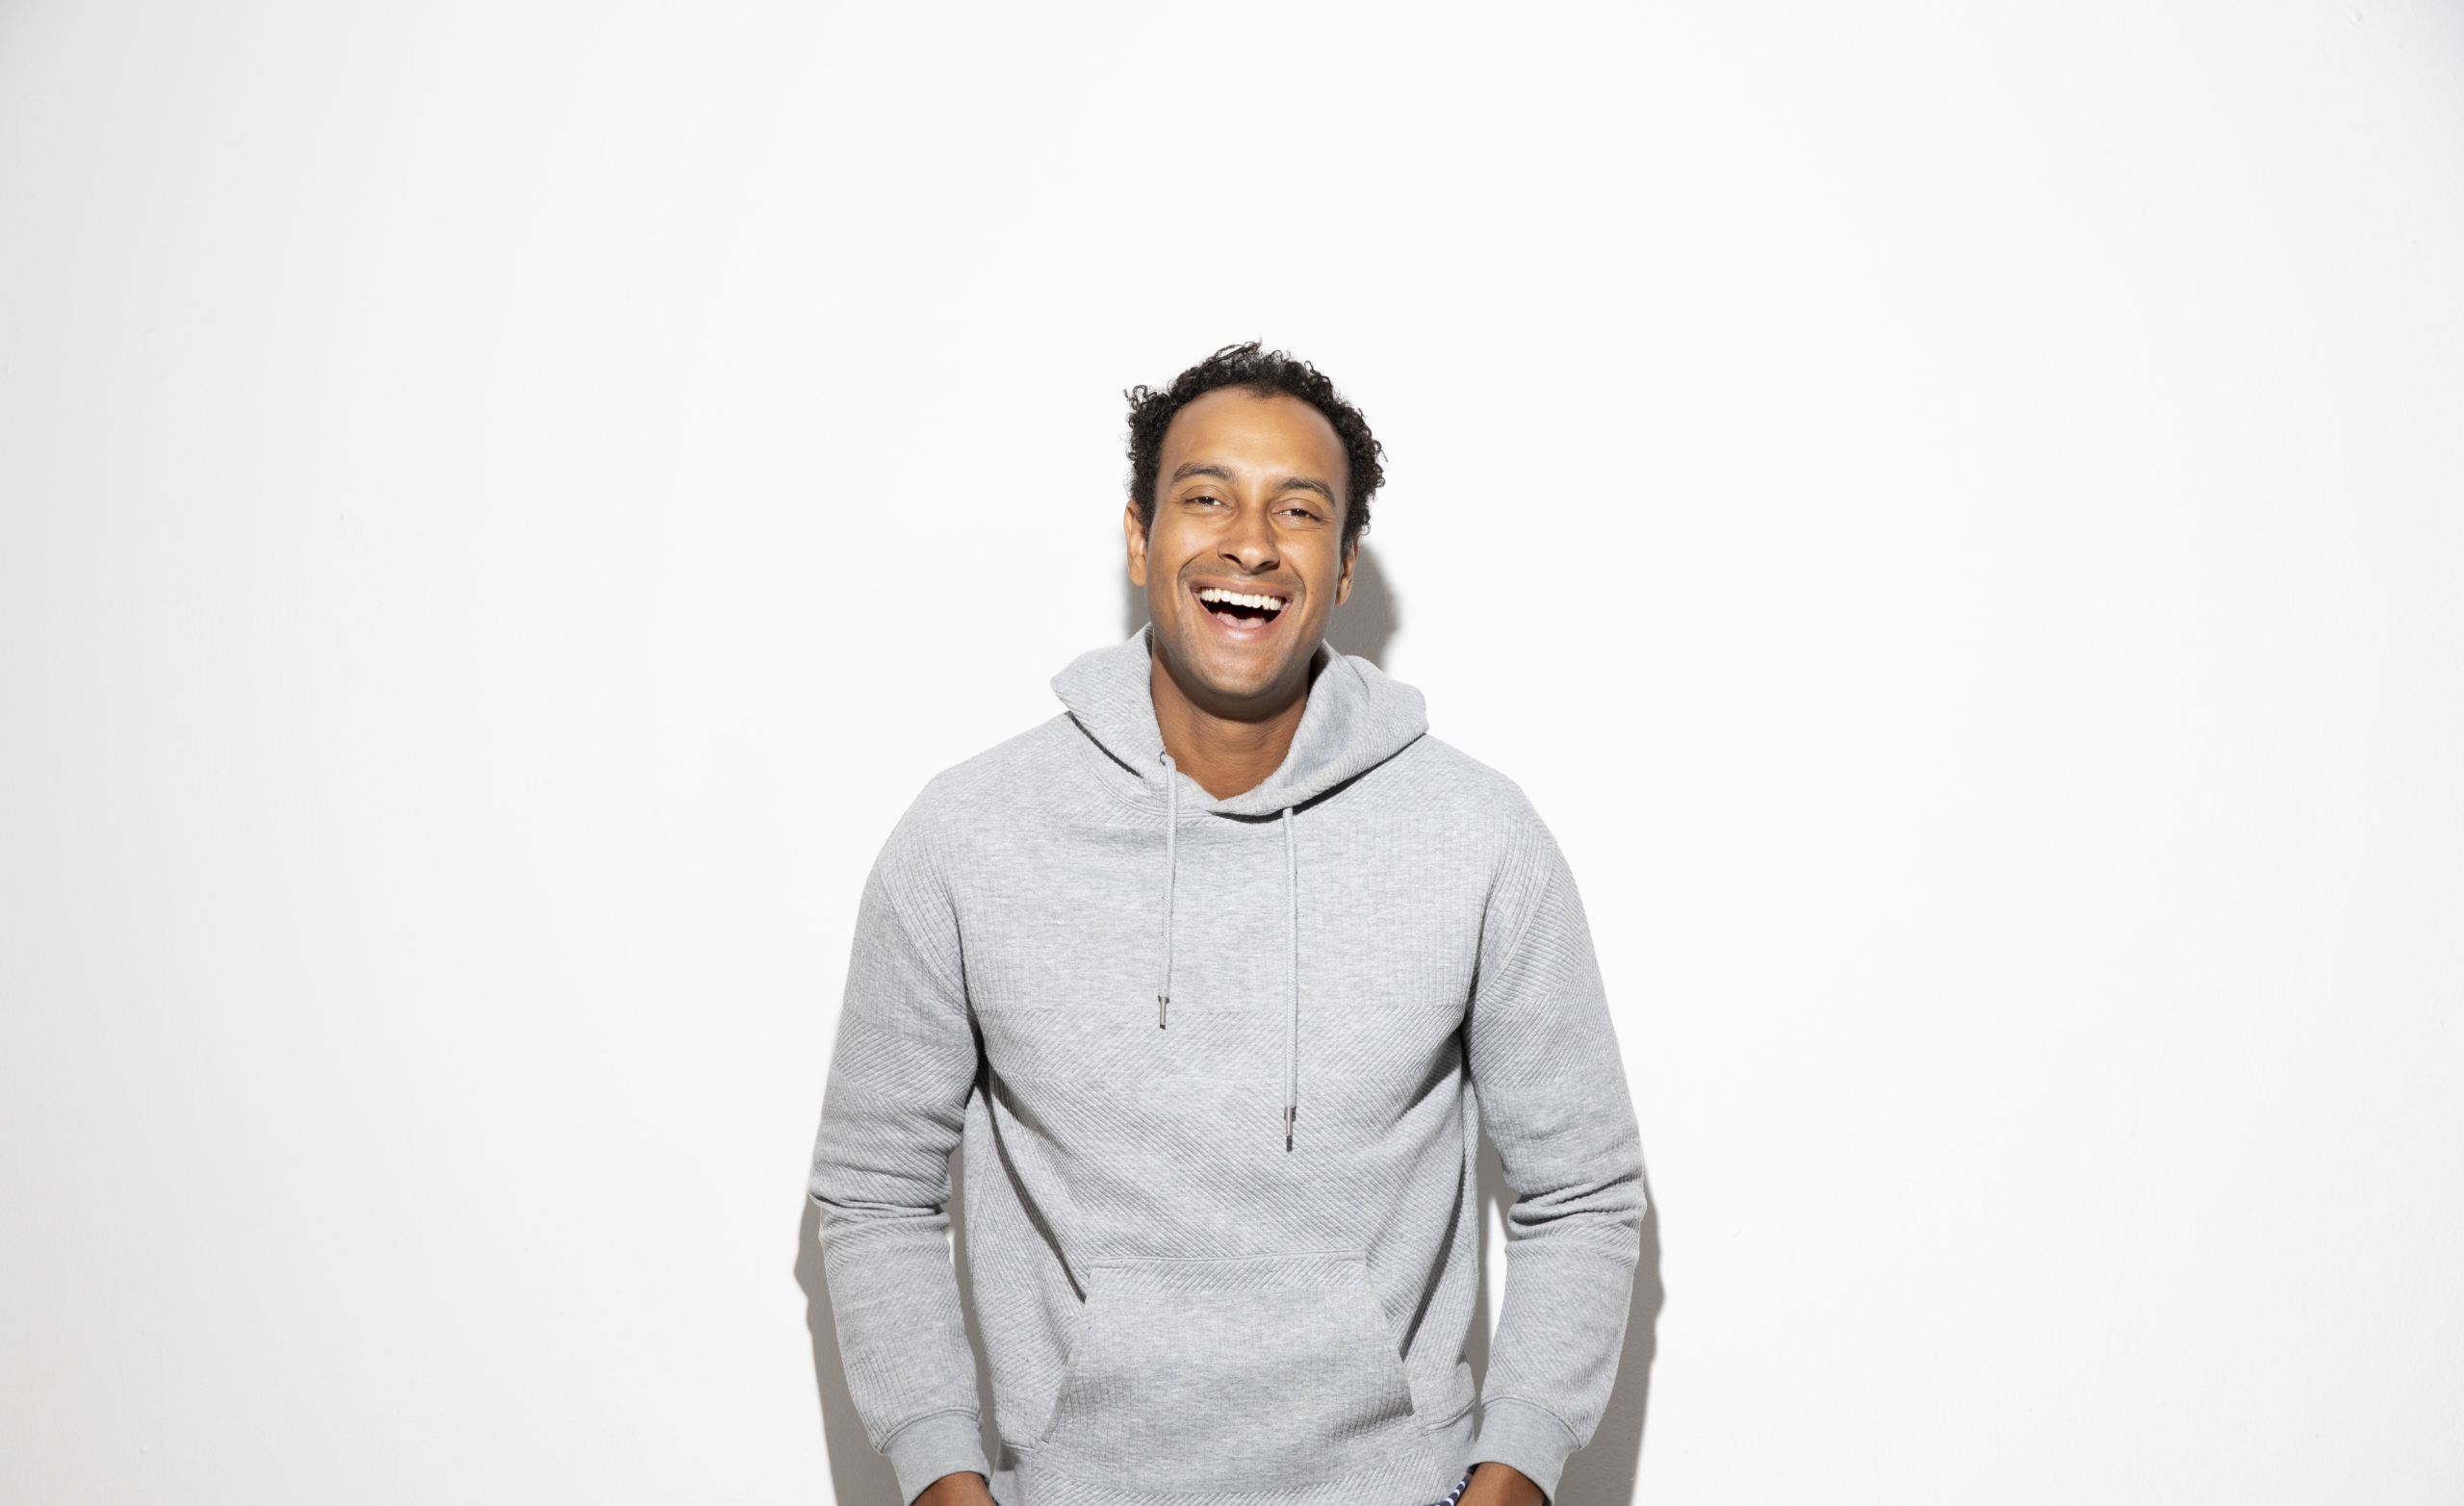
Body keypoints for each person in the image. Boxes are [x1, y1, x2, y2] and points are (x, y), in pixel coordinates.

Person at [809, 344, 1645, 1506]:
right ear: (1139, 535)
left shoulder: (1476, 835)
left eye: (1297, 509)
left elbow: (1583, 1190)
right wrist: (939, 1472)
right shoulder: (968, 835)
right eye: (1206, 497)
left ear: (1342, 566)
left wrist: (1518, 1471)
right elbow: (873, 1188)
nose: (1250, 542)